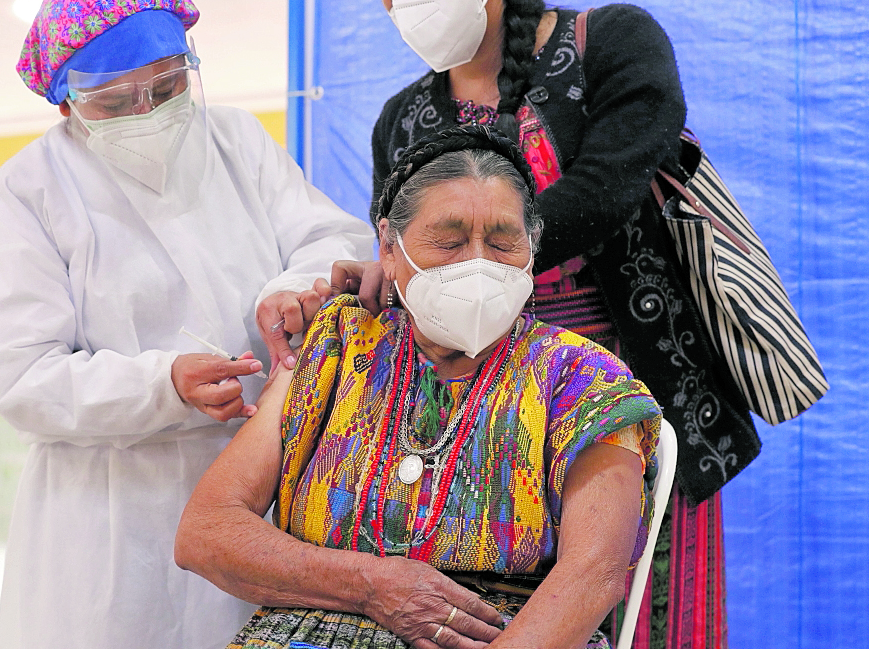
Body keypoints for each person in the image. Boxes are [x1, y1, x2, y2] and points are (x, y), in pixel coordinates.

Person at [316, 0, 763, 646]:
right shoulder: (400, 119)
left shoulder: (608, 45)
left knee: (641, 594)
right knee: (499, 607)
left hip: (632, 390)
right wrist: (388, 270)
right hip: (476, 431)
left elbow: (605, 190)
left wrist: (463, 254)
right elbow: (406, 247)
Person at [0, 0, 374, 647]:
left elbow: (331, 239)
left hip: (258, 480)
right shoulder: (27, 190)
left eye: (167, 87)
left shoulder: (235, 140)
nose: (148, 111)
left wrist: (295, 288)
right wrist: (161, 383)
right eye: (115, 100)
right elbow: (21, 376)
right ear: (66, 99)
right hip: (111, 509)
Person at [175, 125, 662, 649]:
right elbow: (207, 532)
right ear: (388, 246)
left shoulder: (582, 376)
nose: (477, 263)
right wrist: (368, 585)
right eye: (448, 242)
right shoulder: (336, 343)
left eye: (502, 242)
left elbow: (594, 575)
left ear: (532, 247)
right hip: (312, 627)